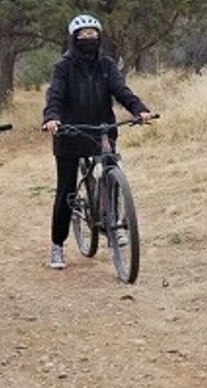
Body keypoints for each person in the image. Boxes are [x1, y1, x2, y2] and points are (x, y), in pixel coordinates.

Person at [41, 14, 156, 269]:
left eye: (93, 34)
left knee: (112, 171)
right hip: (70, 132)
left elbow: (121, 90)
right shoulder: (63, 67)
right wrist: (52, 117)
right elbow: (55, 95)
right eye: (82, 35)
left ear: (99, 36)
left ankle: (113, 221)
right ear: (73, 39)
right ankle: (57, 246)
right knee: (67, 191)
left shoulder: (106, 64)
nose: (88, 39)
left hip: (102, 129)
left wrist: (139, 109)